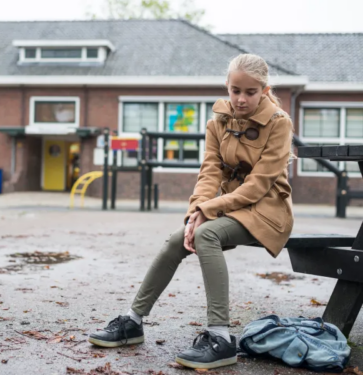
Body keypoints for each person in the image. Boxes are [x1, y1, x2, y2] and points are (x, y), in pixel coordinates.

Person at [88, 54, 295, 370]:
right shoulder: (218, 122)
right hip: (230, 207)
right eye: (235, 90)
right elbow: (209, 173)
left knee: (206, 235)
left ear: (264, 91)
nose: (241, 99)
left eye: (250, 92)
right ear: (227, 86)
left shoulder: (279, 124)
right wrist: (194, 213)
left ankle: (221, 338)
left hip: (267, 210)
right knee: (177, 239)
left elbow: (258, 186)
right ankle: (133, 321)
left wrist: (208, 211)